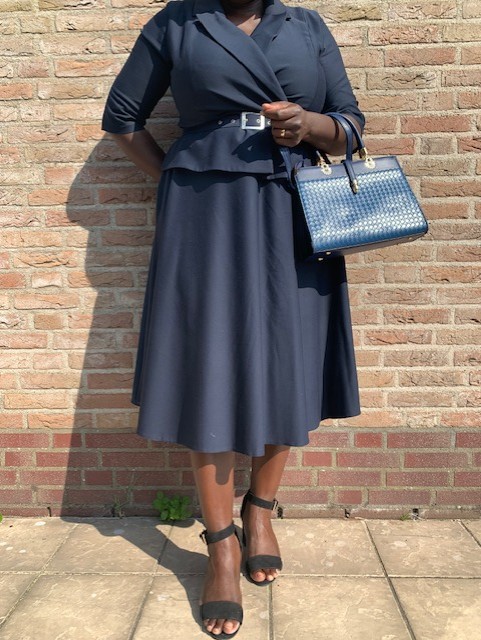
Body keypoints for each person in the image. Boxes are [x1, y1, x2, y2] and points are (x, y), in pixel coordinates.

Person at [101, 0, 365, 636]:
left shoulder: (306, 26)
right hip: (206, 213)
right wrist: (179, 176)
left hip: (293, 209)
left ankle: (260, 511)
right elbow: (122, 117)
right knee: (210, 363)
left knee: (290, 359)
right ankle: (220, 544)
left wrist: (310, 125)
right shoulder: (177, 22)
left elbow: (351, 126)